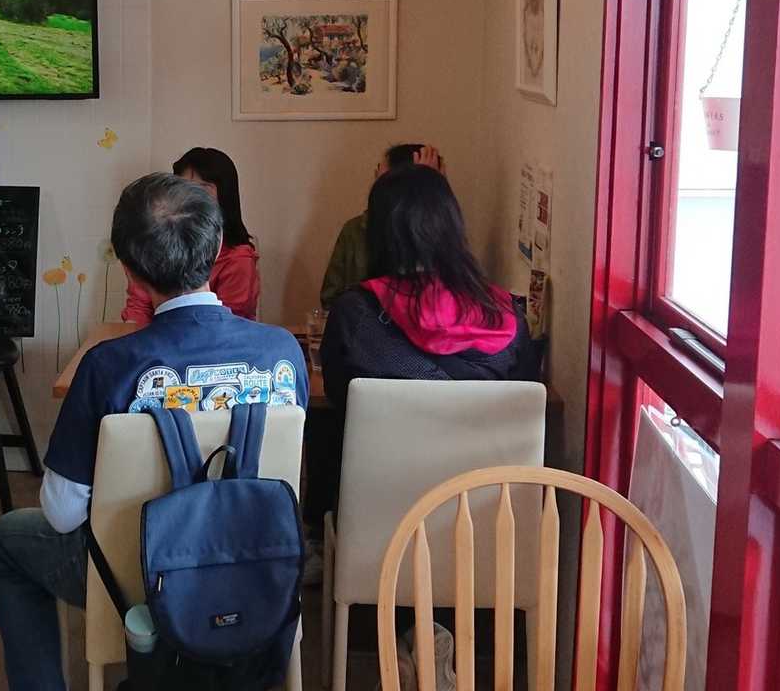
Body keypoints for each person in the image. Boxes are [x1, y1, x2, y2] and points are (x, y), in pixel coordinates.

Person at [0, 173, 307, 691]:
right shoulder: (283, 352)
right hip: (251, 564)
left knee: (7, 541)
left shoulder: (108, 365)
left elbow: (62, 513)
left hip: (134, 578)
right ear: (217, 248)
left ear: (129, 270)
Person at [310, 164, 528, 530]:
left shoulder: (356, 313)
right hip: (486, 521)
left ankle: (316, 537)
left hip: (383, 522)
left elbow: (337, 395)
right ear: (453, 227)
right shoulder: (507, 315)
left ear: (378, 234)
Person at [121, 147, 260, 323]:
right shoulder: (156, 244)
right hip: (157, 336)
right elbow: (138, 308)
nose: (190, 198)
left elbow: (232, 323)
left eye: (203, 188)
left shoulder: (238, 259)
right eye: (183, 188)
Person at [318, 142, 444, 309]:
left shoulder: (439, 232)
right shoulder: (355, 229)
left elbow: (439, 300)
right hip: (360, 321)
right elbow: (330, 299)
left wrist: (429, 196)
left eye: (383, 177)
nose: (376, 184)